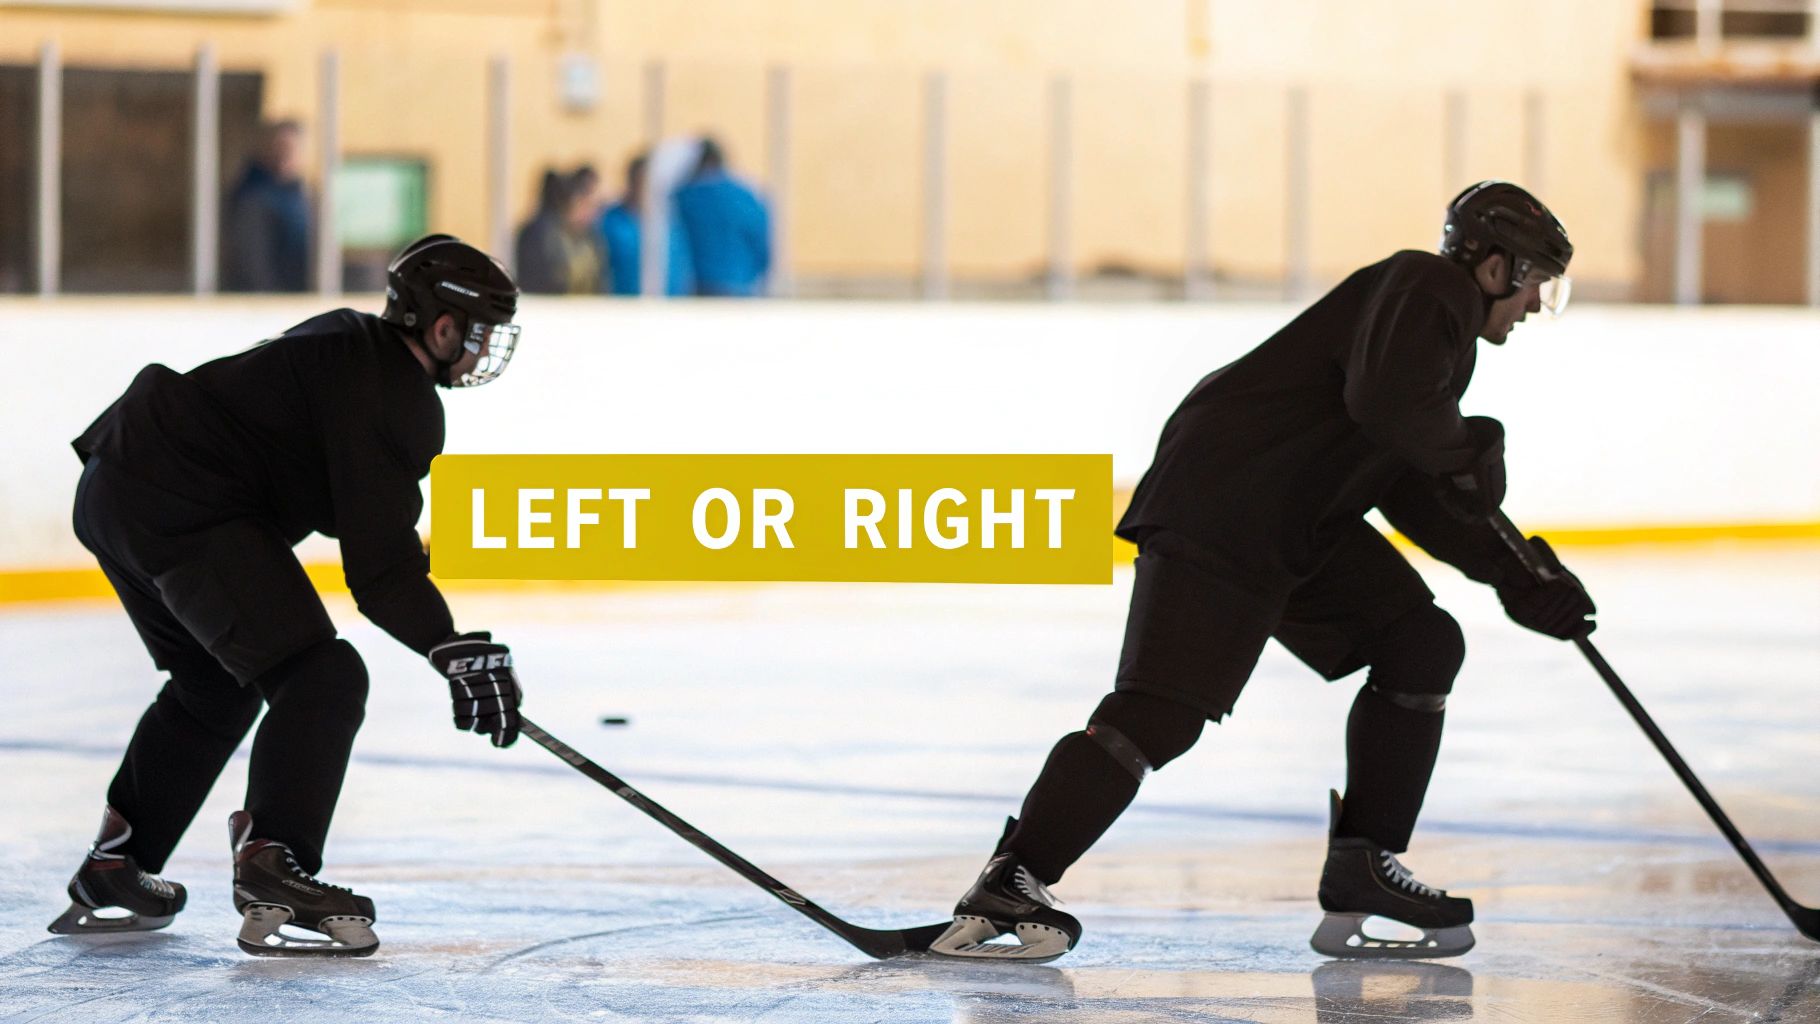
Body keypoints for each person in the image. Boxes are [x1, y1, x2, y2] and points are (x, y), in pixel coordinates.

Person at [928, 181, 1596, 964]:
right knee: (1161, 713)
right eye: (1534, 287)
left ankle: (1363, 868)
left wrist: (1519, 573)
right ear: (1494, 269)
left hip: (1294, 521)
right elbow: (1395, 414)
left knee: (1420, 640)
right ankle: (1015, 876)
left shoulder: (1428, 340)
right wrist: (1469, 454)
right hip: (1225, 505)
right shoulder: (1427, 287)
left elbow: (1408, 477)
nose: (1528, 310)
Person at [47, 235, 529, 958]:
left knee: (216, 684)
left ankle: (116, 865)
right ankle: (274, 864)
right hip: (186, 500)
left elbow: (353, 510)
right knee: (324, 677)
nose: (483, 350)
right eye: (480, 332)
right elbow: (381, 573)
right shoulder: (398, 395)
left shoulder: (346, 339)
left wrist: (431, 615)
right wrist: (450, 646)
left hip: (116, 481)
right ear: (442, 327)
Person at [672, 137, 771, 297]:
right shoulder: (747, 196)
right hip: (741, 286)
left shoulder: (686, 196)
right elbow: (762, 245)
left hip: (702, 287)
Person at [222, 119, 311, 293]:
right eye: (280, 148)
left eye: (292, 149)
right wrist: (269, 296)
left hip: (297, 293)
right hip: (271, 298)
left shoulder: (301, 193)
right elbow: (253, 260)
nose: (286, 156)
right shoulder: (253, 198)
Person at [599, 152, 693, 296]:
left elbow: (681, 269)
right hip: (622, 307)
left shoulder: (670, 226)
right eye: (642, 184)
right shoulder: (611, 222)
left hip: (666, 309)